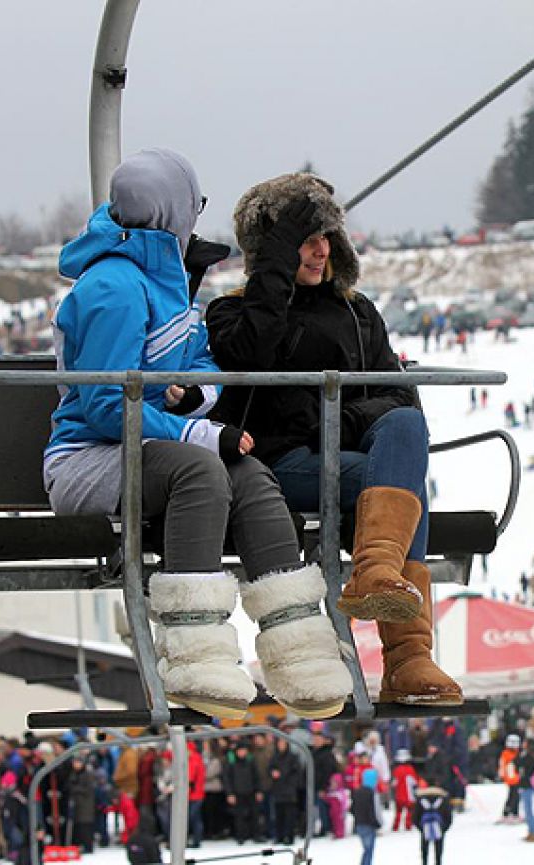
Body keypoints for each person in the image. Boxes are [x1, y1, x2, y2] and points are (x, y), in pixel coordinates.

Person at [43, 151, 350, 720]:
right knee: (202, 468)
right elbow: (108, 404)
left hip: (153, 450)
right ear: (173, 211)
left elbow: (201, 362)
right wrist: (198, 431)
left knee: (252, 476)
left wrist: (196, 391)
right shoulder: (113, 287)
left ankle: (299, 650)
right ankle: (193, 651)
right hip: (88, 459)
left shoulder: (165, 280)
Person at [206, 172, 459, 707]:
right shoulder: (233, 313)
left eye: (327, 237)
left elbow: (400, 399)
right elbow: (253, 352)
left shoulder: (358, 310)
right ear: (273, 249)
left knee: (407, 432)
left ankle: (378, 573)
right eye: (305, 240)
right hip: (279, 465)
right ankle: (408, 658)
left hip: (348, 458)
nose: (321, 251)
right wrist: (273, 274)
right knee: (407, 490)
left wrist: (338, 421)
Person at [412, 782, 452, 865]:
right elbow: (448, 816)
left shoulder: (420, 798)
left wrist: (421, 828)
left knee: (424, 852)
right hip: (439, 827)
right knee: (438, 853)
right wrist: (444, 828)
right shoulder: (443, 798)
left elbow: (415, 816)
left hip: (425, 827)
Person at [515, 737, 534, 843]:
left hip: (527, 784)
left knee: (528, 810)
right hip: (533, 784)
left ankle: (532, 832)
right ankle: (531, 831)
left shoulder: (529, 756)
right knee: (528, 809)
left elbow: (519, 763)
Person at [352, 768, 380, 865]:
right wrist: (376, 823)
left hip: (359, 824)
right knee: (369, 850)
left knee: (366, 849)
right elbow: (372, 810)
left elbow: (352, 808)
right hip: (368, 824)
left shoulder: (357, 791)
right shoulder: (371, 793)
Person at [391, 750, 419, 831]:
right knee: (409, 812)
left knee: (398, 812)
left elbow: (394, 783)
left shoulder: (397, 770)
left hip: (399, 795)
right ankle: (408, 825)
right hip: (408, 795)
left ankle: (396, 826)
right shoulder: (410, 769)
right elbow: (414, 781)